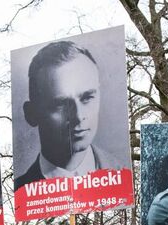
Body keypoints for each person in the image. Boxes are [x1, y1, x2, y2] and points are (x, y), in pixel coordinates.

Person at [14, 41, 117, 190]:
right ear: (31, 114)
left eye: (87, 98)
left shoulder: (124, 174)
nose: (78, 116)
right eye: (60, 104)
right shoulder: (19, 192)